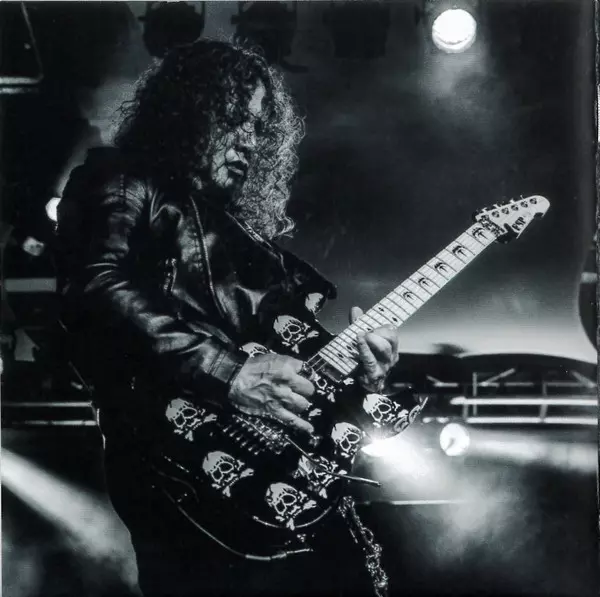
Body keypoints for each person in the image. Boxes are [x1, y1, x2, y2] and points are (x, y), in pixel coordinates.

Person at [57, 39, 414, 597]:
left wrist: (361, 376)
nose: (249, 139)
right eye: (233, 119)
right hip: (181, 465)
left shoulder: (250, 243)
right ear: (186, 111)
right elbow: (96, 287)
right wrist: (229, 372)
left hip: (289, 479)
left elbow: (286, 364)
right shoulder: (122, 178)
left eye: (257, 126)